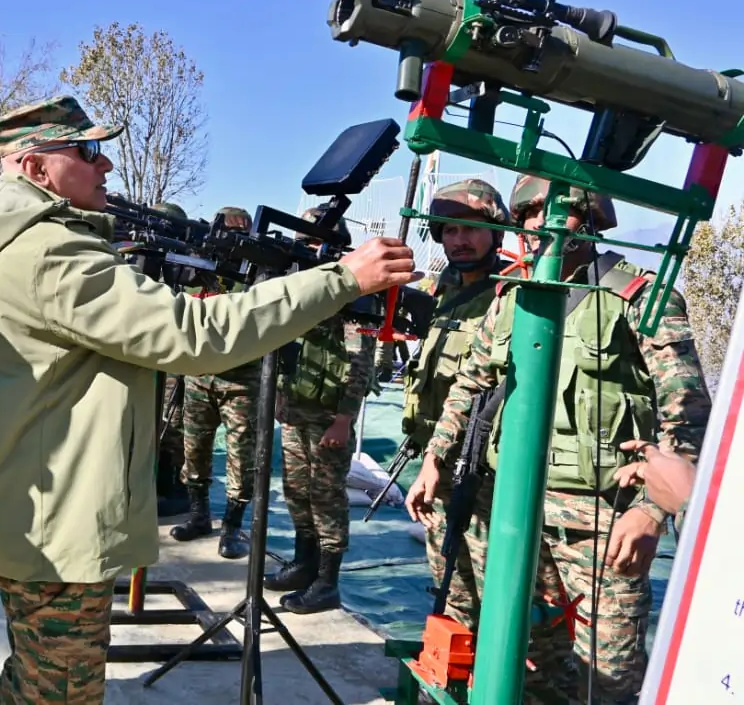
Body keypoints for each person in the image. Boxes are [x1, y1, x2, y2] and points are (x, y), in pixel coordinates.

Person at [0, 94, 421, 703]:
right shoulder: (49, 253)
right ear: (37, 169)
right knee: (61, 691)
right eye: (88, 152)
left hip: (21, 503)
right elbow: (197, 338)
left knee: (35, 671)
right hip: (56, 525)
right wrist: (343, 279)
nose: (104, 166)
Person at [405, 175, 711, 704]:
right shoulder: (511, 297)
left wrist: (649, 512)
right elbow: (470, 382)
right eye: (528, 214)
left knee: (607, 678)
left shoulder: (642, 297)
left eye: (558, 211)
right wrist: (435, 458)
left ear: (591, 217)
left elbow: (687, 418)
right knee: (525, 662)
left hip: (600, 521)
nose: (540, 224)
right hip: (513, 507)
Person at [396, 179, 511, 631]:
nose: (458, 240)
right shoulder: (437, 291)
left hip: (484, 471)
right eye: (447, 230)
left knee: (492, 588)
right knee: (449, 580)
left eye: (469, 229)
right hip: (435, 460)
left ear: (495, 232)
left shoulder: (510, 293)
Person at [265, 211, 376, 613]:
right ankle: (304, 563)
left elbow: (361, 359)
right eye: (307, 243)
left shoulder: (354, 290)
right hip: (297, 407)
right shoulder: (302, 286)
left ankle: (328, 582)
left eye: (319, 244)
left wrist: (345, 418)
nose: (312, 251)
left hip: (330, 413)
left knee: (326, 495)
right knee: (296, 490)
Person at [170, 205, 264, 559]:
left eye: (241, 233)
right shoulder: (202, 268)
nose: (233, 239)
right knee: (194, 450)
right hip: (199, 376)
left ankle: (233, 528)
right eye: (228, 231)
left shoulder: (255, 272)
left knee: (242, 457)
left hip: (242, 380)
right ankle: (199, 516)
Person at [150, 200, 192, 517]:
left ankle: (174, 490)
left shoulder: (184, 266)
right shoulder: (140, 258)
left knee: (172, 427)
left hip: (176, 366)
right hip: (151, 361)